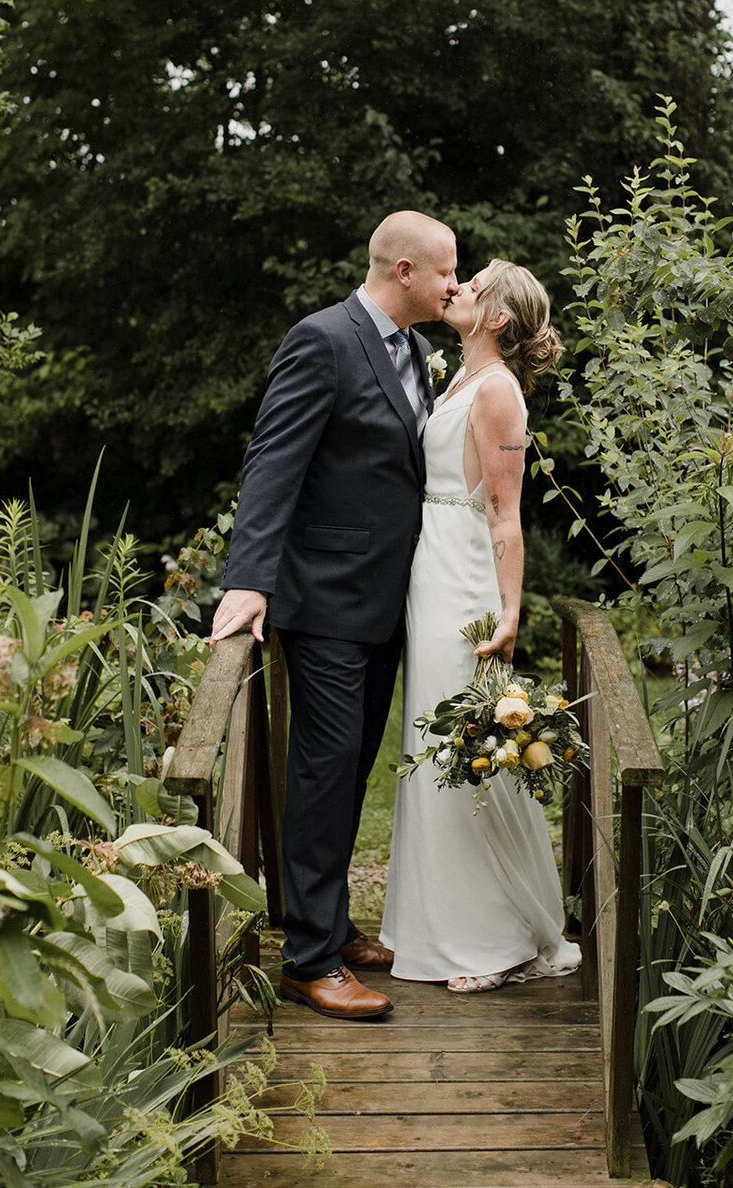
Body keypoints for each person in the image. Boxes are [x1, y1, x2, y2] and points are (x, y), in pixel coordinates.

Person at [210, 210, 459, 1020]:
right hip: (323, 602)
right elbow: (273, 458)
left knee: (348, 772)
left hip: (385, 601)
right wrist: (250, 579)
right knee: (321, 774)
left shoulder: (415, 350)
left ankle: (329, 921)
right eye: (446, 271)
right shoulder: (322, 339)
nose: (456, 285)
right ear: (405, 274)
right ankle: (307, 961)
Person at [380, 259, 581, 992]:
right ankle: (436, 929)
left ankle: (492, 943)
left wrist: (509, 609)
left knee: (461, 745)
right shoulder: (458, 380)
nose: (457, 286)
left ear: (498, 317)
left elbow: (505, 511)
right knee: (433, 743)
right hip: (428, 572)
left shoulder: (498, 393)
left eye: (476, 283)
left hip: (463, 579)